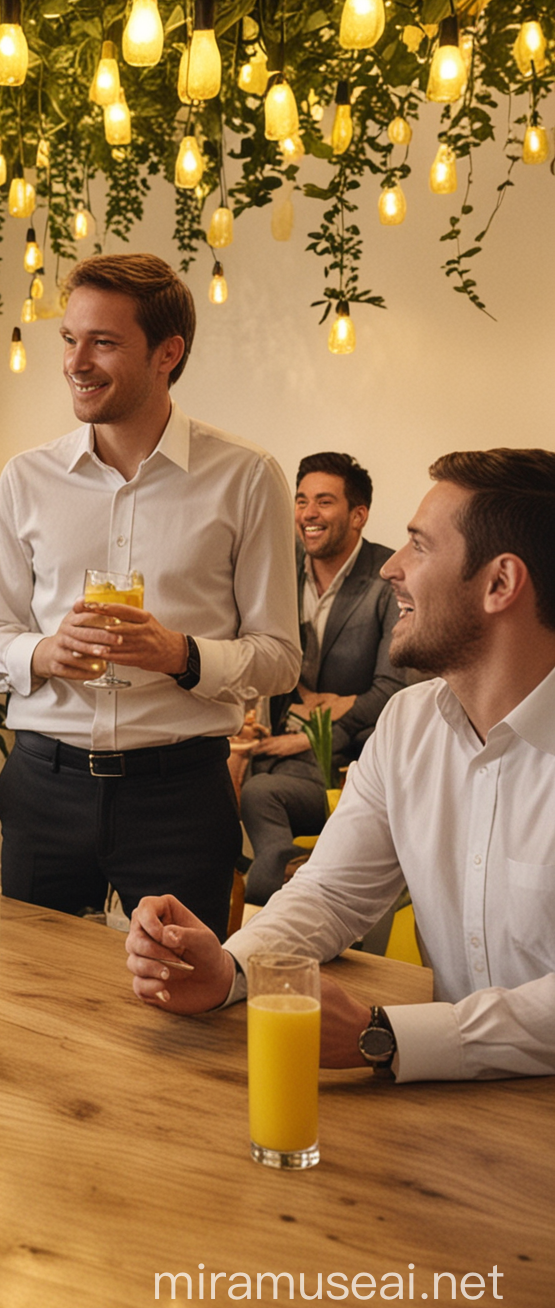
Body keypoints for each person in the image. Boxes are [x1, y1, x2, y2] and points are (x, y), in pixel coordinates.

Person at [127, 449, 555, 1082]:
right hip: (449, 1110)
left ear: (499, 584)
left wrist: (385, 1037)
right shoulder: (409, 725)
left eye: (420, 547)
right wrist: (231, 968)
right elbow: (332, 893)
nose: (391, 567)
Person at [0, 252, 300, 936]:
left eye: (103, 342)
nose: (75, 361)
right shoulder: (26, 479)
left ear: (167, 353)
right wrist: (44, 652)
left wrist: (180, 653)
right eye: (69, 339)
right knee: (34, 1003)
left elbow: (279, 659)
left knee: (182, 1012)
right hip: (44, 784)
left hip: (180, 796)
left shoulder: (246, 477)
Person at [239, 452, 407, 903]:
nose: (308, 514)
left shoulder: (388, 577)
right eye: (301, 500)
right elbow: (261, 653)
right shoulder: (280, 569)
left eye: (324, 502)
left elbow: (393, 691)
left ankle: (276, 891)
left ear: (358, 515)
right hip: (268, 747)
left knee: (260, 795)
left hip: (344, 764)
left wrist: (316, 734)